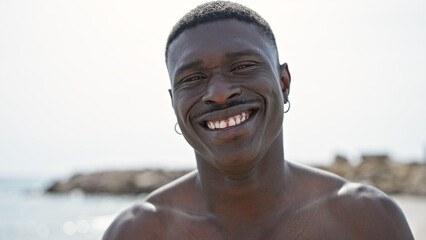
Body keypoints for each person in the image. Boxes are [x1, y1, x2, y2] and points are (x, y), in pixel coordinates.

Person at [103, 1, 414, 239]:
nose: (220, 93)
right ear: (174, 104)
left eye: (241, 67)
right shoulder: (139, 232)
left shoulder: (366, 219)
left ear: (283, 83)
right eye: (194, 78)